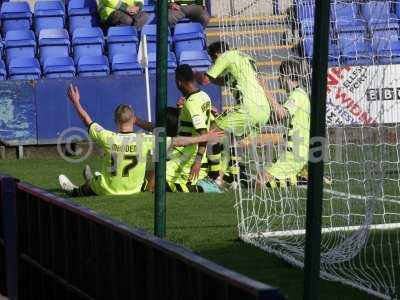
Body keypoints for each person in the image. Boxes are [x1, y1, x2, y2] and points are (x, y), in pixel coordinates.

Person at [58, 84, 223, 196]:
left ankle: (74, 190)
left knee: (93, 185)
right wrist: (205, 136)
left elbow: (88, 121)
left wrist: (76, 103)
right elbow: (178, 141)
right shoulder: (144, 140)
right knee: (147, 175)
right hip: (134, 190)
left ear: (116, 121)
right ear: (133, 119)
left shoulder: (107, 137)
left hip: (109, 189)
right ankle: (94, 179)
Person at [259, 60, 310, 188]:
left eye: (279, 75)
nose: (278, 79)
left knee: (260, 181)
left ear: (285, 76)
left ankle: (304, 179)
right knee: (264, 180)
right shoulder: (296, 94)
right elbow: (279, 118)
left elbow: (281, 114)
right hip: (294, 151)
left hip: (295, 152)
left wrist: (265, 89)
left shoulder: (297, 95)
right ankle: (302, 177)